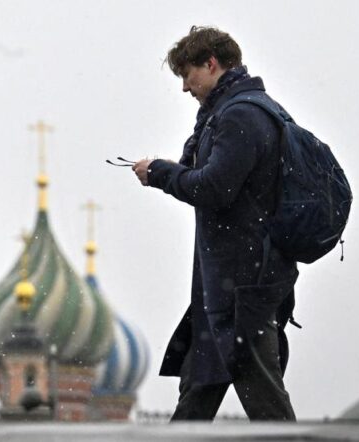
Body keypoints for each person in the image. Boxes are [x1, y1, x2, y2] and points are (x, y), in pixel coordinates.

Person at [131, 26, 298, 422]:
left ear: (211, 64)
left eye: (189, 76)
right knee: (198, 389)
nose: (186, 88)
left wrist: (159, 173)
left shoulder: (242, 115)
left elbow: (214, 188)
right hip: (224, 285)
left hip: (243, 286)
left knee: (264, 399)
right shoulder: (230, 112)